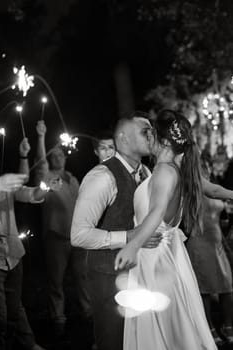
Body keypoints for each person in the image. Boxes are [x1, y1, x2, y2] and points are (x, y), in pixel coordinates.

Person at [114, 109, 233, 350]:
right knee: (175, 324)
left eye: (151, 133)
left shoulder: (164, 171)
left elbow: (156, 211)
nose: (148, 138)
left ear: (165, 141)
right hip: (165, 254)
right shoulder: (178, 171)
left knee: (168, 329)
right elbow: (214, 190)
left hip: (154, 256)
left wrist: (132, 245)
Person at [71, 111, 160, 350]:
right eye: (145, 131)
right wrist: (130, 237)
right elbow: (79, 234)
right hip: (108, 276)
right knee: (114, 341)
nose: (152, 135)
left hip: (143, 275)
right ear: (123, 138)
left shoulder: (148, 173)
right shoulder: (102, 176)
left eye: (152, 130)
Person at [34, 120, 91, 337]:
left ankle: (88, 313)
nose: (57, 157)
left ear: (65, 157)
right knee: (55, 282)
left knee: (83, 278)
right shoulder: (46, 178)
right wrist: (41, 136)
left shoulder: (73, 179)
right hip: (56, 238)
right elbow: (39, 162)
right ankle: (58, 319)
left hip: (76, 238)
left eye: (60, 154)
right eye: (53, 155)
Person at [0, 168, 51, 350]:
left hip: (13, 254)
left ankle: (26, 344)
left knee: (14, 309)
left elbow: (28, 194)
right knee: (1, 318)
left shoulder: (5, 184)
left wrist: (44, 188)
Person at [186, 154, 233, 345]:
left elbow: (220, 216)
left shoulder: (212, 184)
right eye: (201, 166)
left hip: (216, 241)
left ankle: (228, 325)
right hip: (198, 242)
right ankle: (209, 327)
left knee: (227, 286)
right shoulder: (190, 188)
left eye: (206, 166)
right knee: (204, 289)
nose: (205, 169)